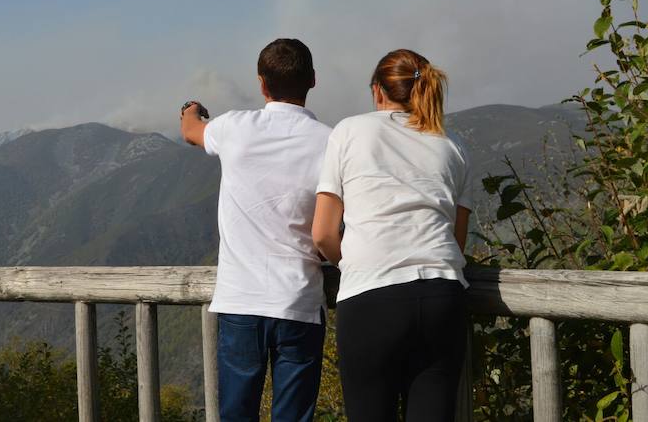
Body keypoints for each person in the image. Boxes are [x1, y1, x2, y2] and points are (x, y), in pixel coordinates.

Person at [312, 48, 472, 422]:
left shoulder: (350, 131)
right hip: (442, 294)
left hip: (371, 298)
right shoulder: (454, 145)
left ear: (377, 92)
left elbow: (321, 233)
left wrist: (351, 262)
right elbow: (457, 241)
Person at [180, 38, 331, 422]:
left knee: (236, 414)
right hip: (299, 300)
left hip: (241, 301)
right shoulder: (332, 142)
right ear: (312, 80)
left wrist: (191, 110)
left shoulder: (234, 127)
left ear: (262, 83)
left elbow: (191, 131)